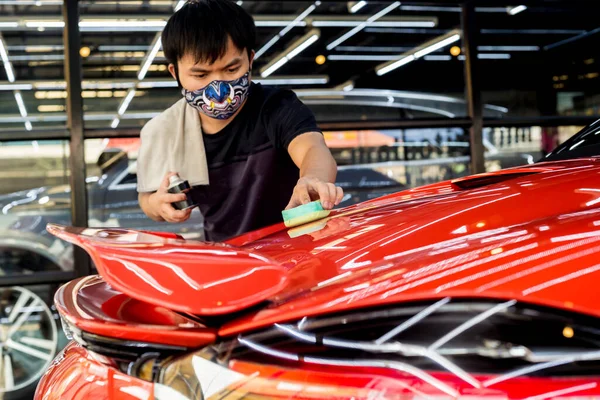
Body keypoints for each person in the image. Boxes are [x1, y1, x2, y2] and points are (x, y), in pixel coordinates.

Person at [136, 0, 343, 242]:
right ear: (175, 73)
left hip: (295, 249)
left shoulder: (276, 107)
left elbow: (311, 148)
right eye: (200, 74)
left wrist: (312, 179)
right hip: (228, 257)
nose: (218, 89)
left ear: (250, 59)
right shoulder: (166, 129)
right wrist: (158, 205)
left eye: (232, 69)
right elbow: (146, 198)